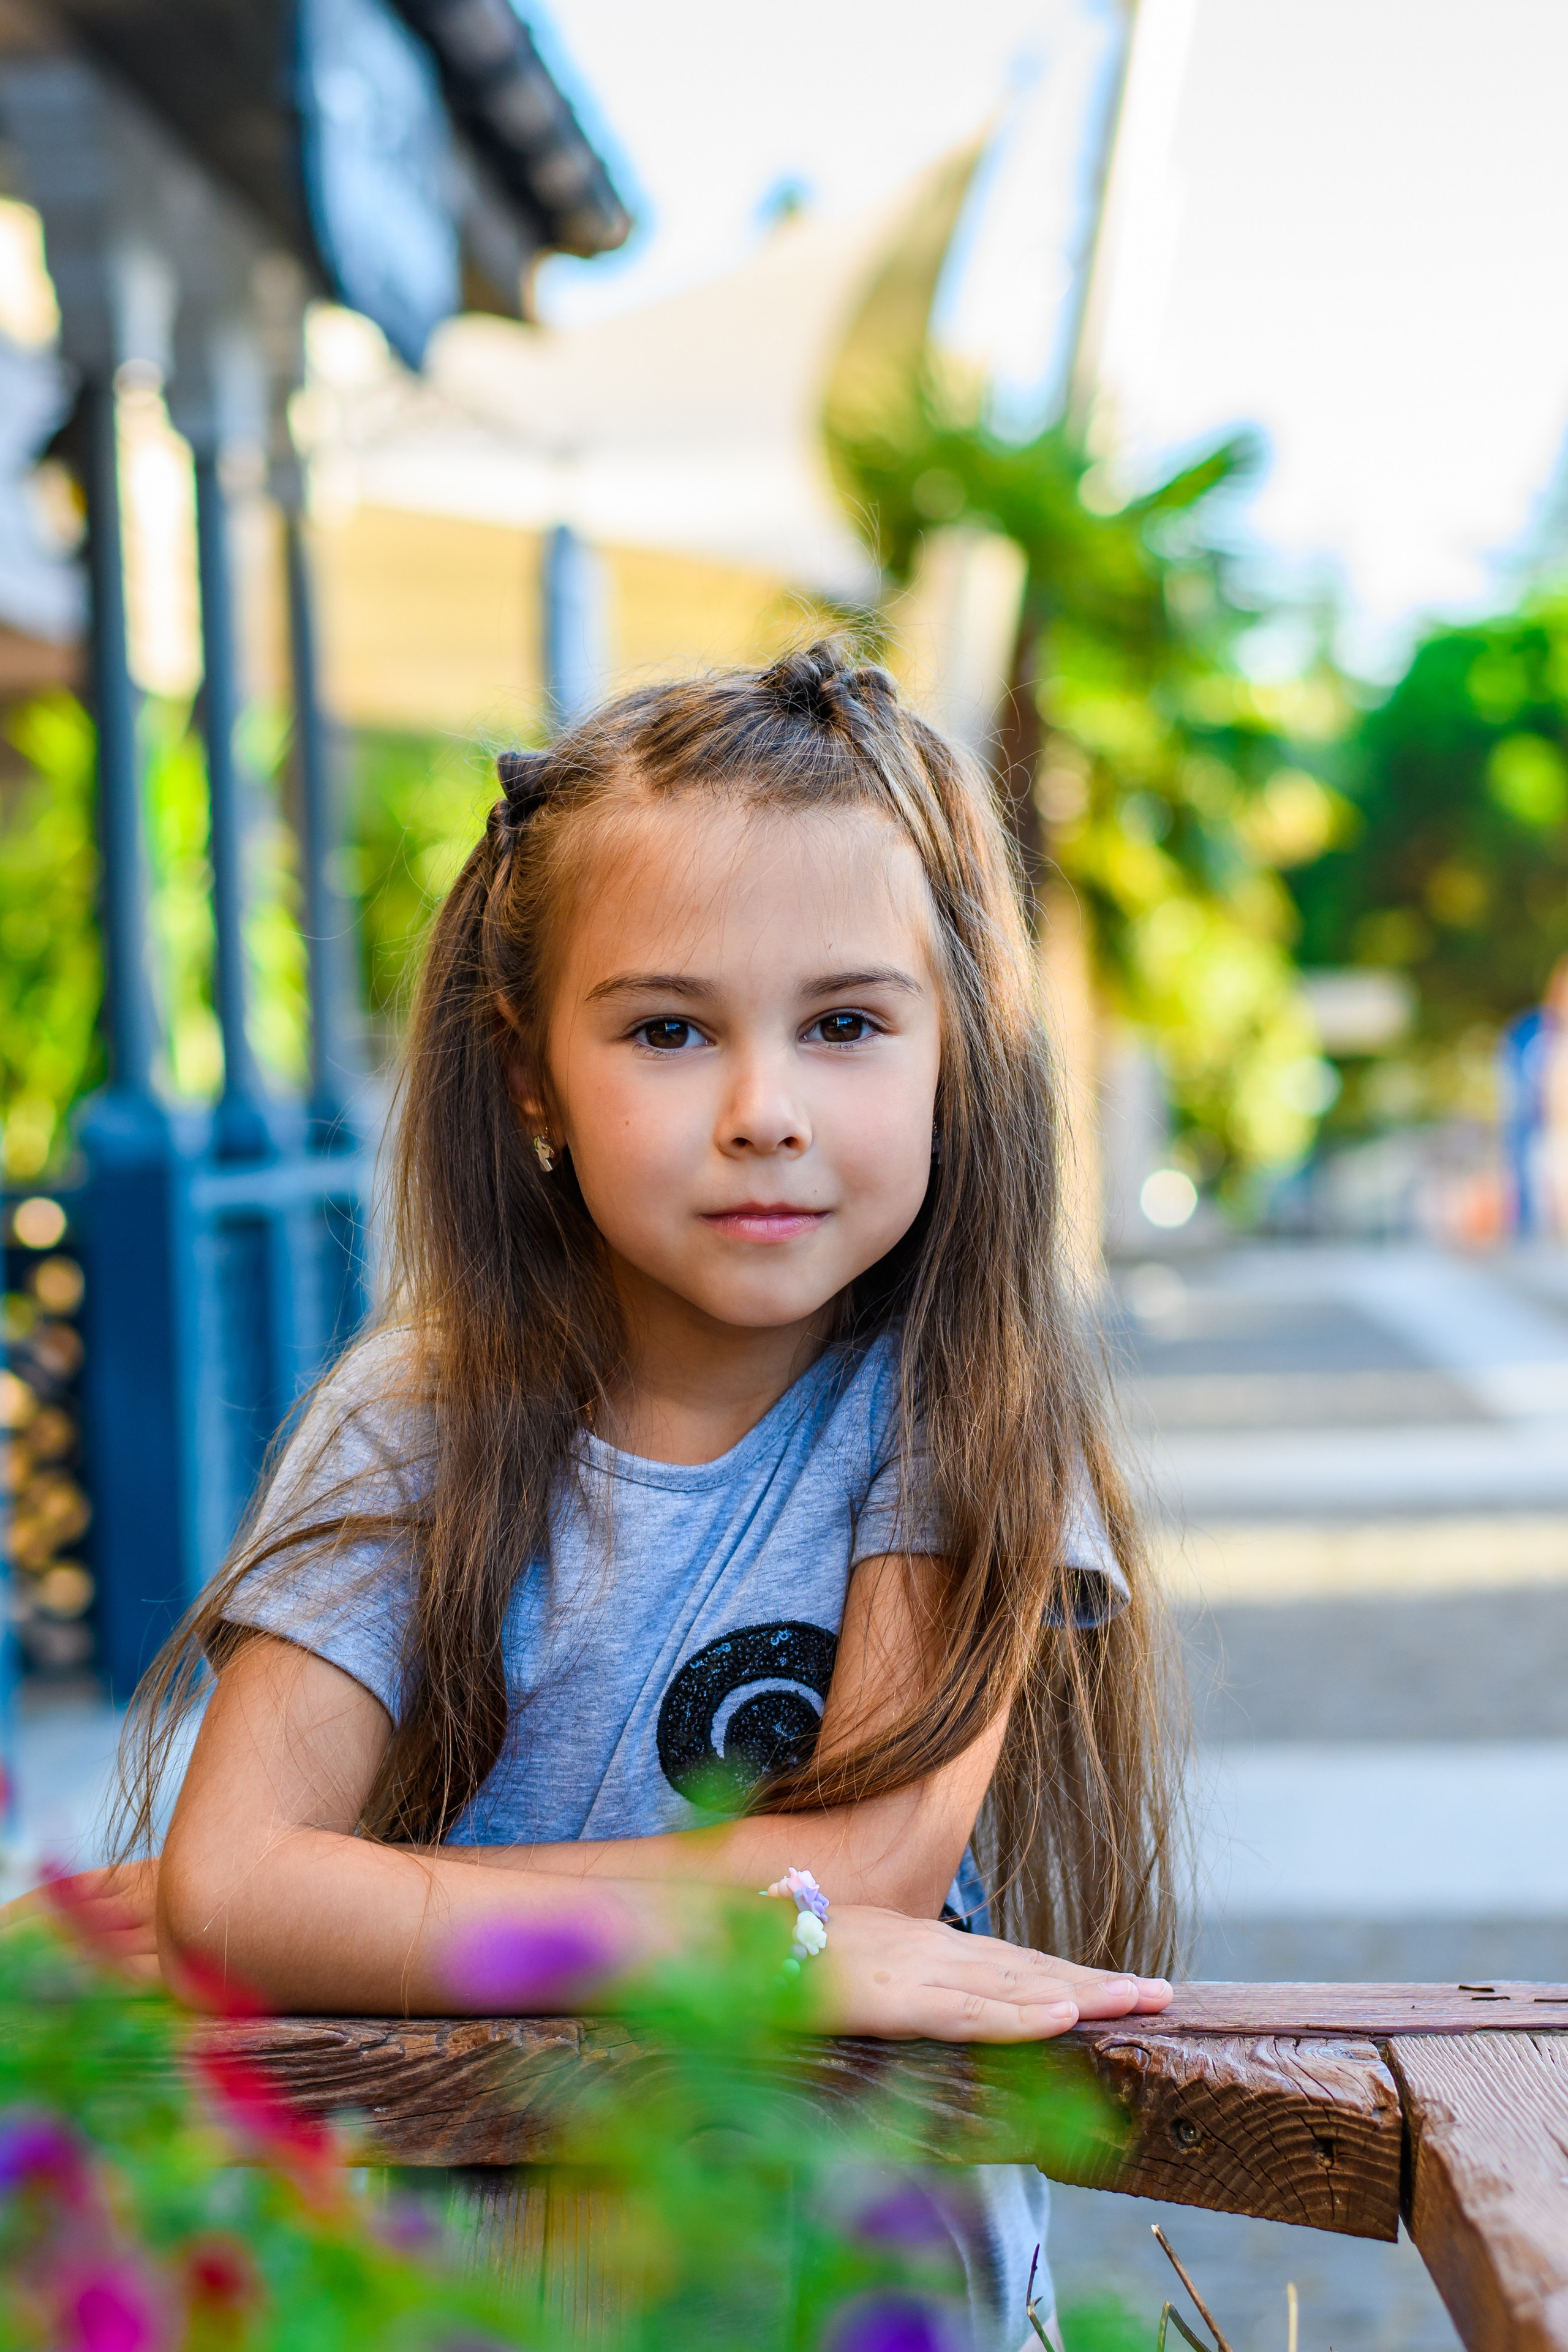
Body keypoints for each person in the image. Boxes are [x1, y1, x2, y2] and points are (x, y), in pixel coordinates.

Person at [113, 643, 1180, 2350]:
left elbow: (866, 1869)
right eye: (670, 1031)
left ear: (958, 1052)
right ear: (531, 1073)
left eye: (845, 1026)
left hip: (848, 2276)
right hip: (458, 2286)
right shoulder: (413, 1419)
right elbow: (237, 1896)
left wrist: (386, 1904)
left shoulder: (961, 1416)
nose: (765, 1112)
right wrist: (750, 1933)